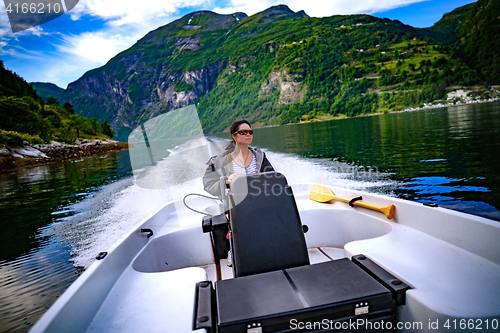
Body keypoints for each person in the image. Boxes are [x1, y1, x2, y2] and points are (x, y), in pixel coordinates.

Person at [203, 119, 275, 198]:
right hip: (236, 205)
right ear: (234, 136)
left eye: (250, 132)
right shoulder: (220, 161)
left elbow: (273, 178)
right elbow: (209, 185)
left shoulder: (260, 157)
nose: (248, 134)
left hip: (260, 200)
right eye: (243, 132)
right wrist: (226, 182)